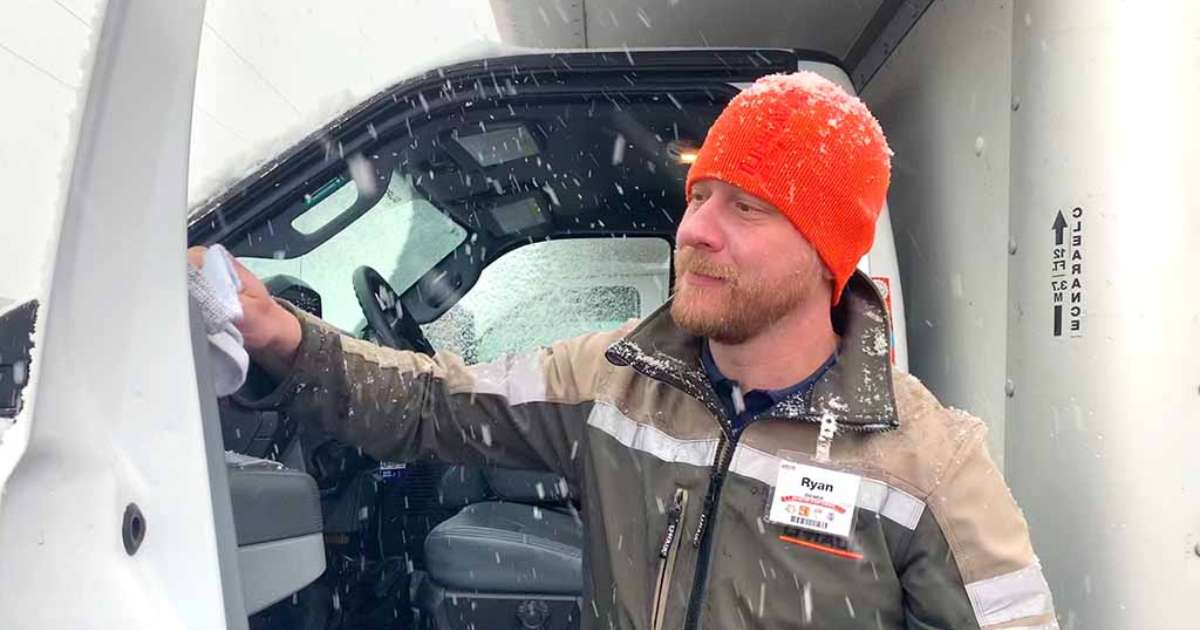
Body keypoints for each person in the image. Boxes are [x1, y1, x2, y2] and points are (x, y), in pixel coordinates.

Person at [190, 72, 1057, 629]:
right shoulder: (619, 382)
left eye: (746, 208)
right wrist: (285, 338)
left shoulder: (928, 466)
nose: (696, 230)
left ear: (826, 253)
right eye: (700, 195)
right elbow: (431, 405)